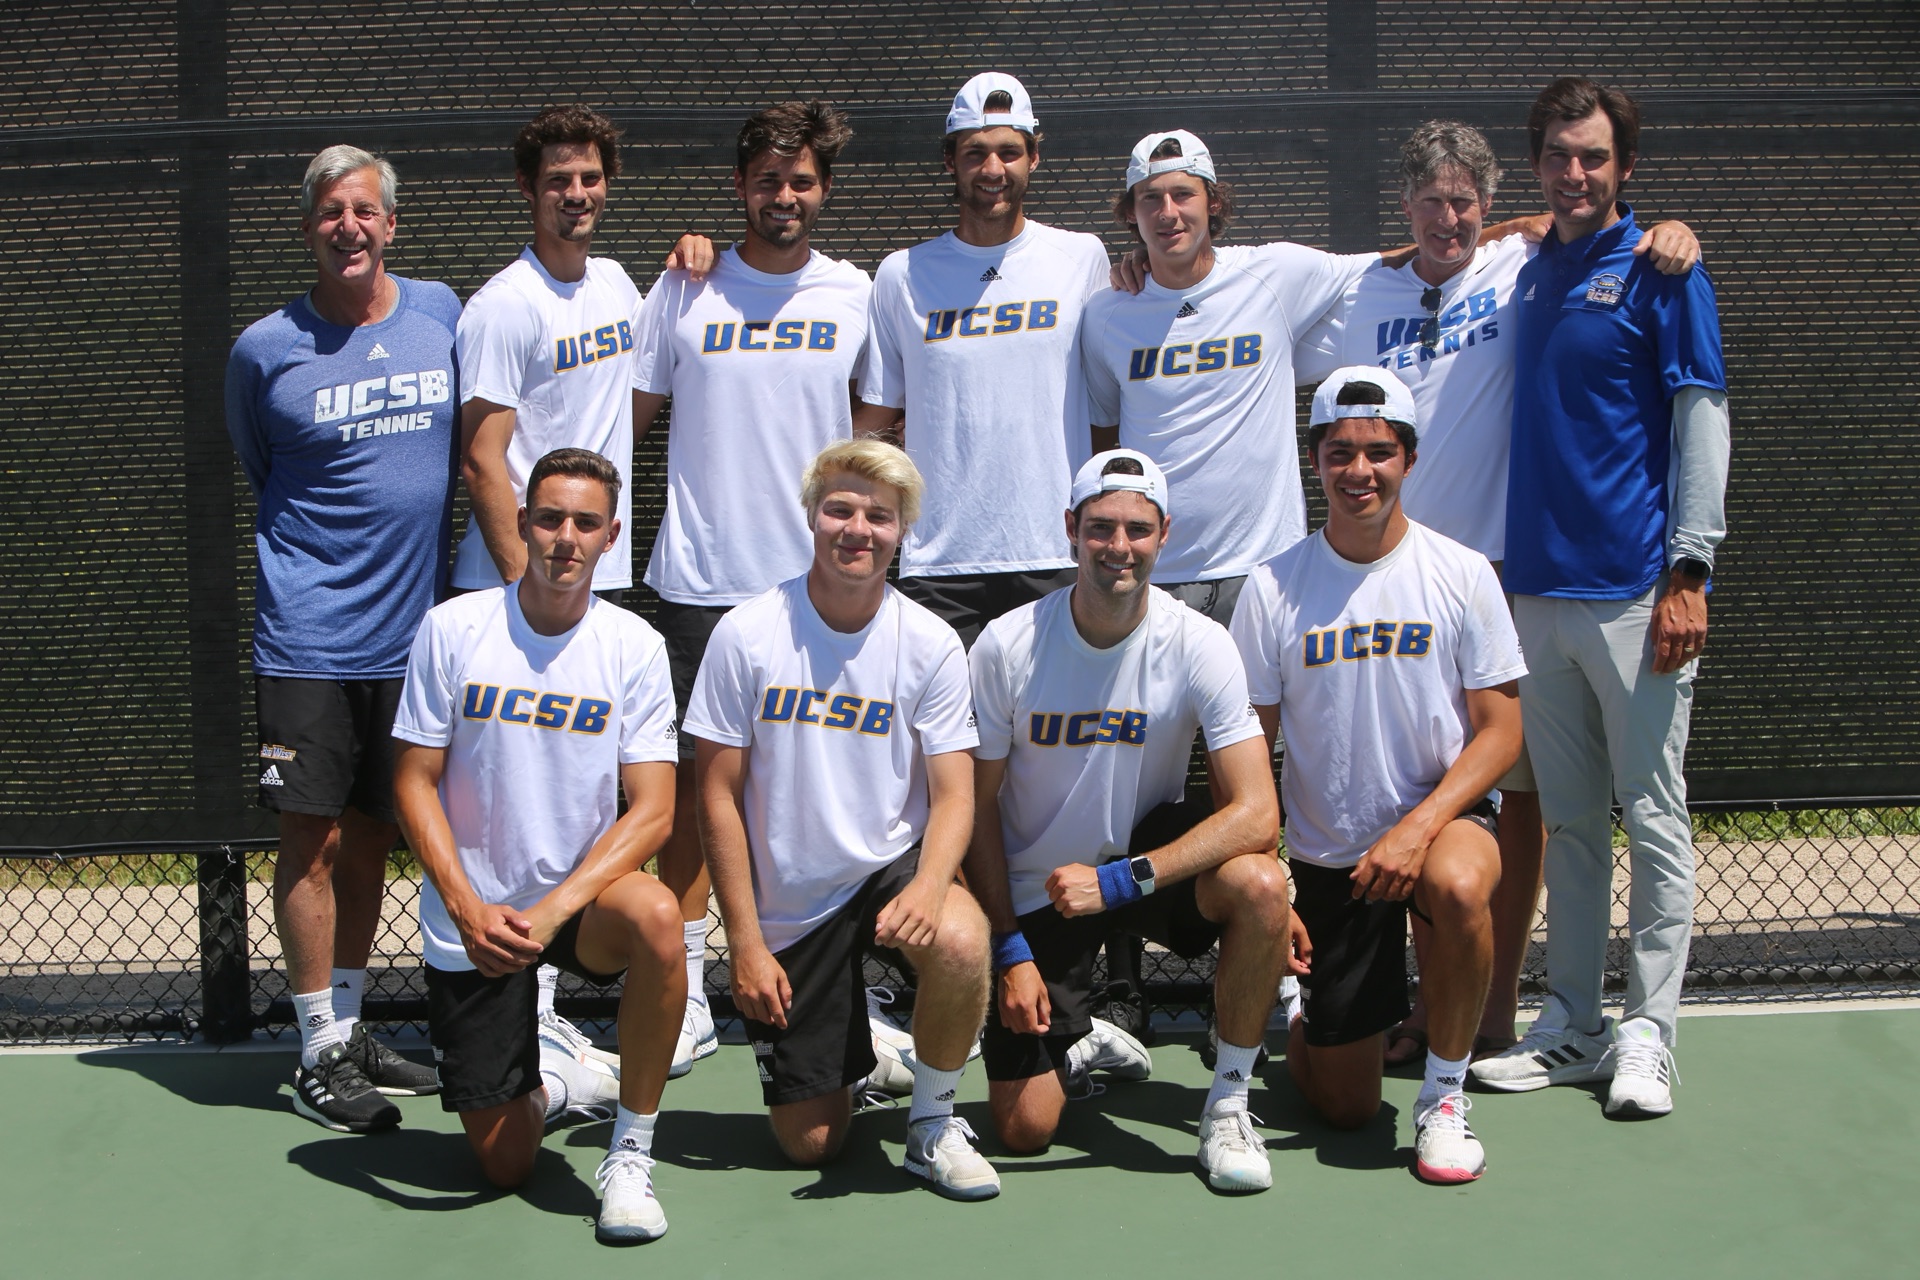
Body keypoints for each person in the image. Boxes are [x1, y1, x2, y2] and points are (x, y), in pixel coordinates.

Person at [1290, 120, 1700, 1064]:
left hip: (1498, 581)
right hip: (1379, 584)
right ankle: (1395, 1002)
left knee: (1513, 793)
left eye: (1467, 204)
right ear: (1405, 204)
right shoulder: (1356, 291)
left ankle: (1487, 1010)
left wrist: (1664, 230)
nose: (1449, 220)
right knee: (1397, 788)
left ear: (1489, 206)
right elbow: (1249, 323)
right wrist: (1134, 274)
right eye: (1432, 202)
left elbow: (1578, 229)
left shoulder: (1519, 268)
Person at [1471, 79, 1728, 1119]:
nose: (1574, 174)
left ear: (1624, 166)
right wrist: (1511, 225)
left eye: (1593, 157)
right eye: (1557, 156)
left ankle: (1649, 1035)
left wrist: (1690, 570)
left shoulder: (1666, 269)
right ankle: (1574, 1026)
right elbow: (1455, 238)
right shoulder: (1532, 264)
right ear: (1536, 164)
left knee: (1653, 816)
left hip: (1636, 595)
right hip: (1535, 597)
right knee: (1574, 825)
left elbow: (1700, 419)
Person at [452, 104, 707, 1073]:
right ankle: (523, 1007)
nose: (576, 193)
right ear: (529, 191)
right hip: (519, 598)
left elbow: (624, 404)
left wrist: (694, 257)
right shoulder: (503, 306)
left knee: (579, 795)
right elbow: (483, 460)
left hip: (589, 591)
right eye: (558, 179)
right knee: (511, 809)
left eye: (590, 177)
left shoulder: (615, 283)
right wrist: (535, 596)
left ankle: (559, 1000)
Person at [967, 449, 1291, 1193]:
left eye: (1138, 530)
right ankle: (1081, 1038)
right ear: (1071, 529)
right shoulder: (1007, 644)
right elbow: (974, 809)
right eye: (1101, 528)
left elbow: (1256, 812)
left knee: (1262, 885)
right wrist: (1009, 949)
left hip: (1139, 868)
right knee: (1024, 1131)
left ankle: (1228, 1104)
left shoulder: (1201, 642)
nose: (1119, 546)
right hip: (1037, 890)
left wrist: (1119, 882)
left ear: (1164, 534)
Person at [1230, 368, 1524, 1184]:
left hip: (1442, 826)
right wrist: (1275, 884)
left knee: (1459, 885)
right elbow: (1248, 752)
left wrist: (1417, 830)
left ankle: (1444, 1097)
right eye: (1340, 452)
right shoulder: (1272, 586)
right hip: (1335, 862)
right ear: (1315, 461)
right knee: (1346, 1108)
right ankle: (1314, 1021)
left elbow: (1502, 733)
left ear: (1410, 460)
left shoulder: (1462, 572)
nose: (1359, 471)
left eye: (1379, 452)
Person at [688, 439, 998, 1199]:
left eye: (879, 516)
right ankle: (866, 1057)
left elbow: (956, 795)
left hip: (889, 866)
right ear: (811, 517)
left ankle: (932, 1122)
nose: (858, 529)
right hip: (793, 903)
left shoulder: (929, 642)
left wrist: (930, 886)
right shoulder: (746, 633)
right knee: (812, 1145)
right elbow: (716, 796)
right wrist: (745, 944)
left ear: (902, 530)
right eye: (840, 509)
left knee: (962, 938)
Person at [392, 448, 686, 1244]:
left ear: (610, 536)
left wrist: (555, 909)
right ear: (522, 523)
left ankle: (630, 1153)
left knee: (660, 915)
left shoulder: (633, 645)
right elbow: (413, 781)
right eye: (550, 518)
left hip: (582, 905)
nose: (566, 538)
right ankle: (561, 1081)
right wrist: (467, 907)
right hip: (476, 918)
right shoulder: (453, 629)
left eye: (586, 523)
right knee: (506, 1163)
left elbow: (654, 811)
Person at [633, 101, 872, 1076]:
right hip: (701, 579)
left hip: (816, 587)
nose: (785, 196)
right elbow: (627, 418)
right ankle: (688, 991)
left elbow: (874, 430)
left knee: (826, 780)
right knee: (702, 790)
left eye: (801, 180)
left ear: (823, 188)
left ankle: (845, 981)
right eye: (768, 179)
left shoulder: (856, 292)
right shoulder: (684, 285)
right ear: (740, 187)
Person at [225, 144, 453, 1131]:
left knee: (372, 840)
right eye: (330, 211)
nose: (348, 226)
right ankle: (317, 1048)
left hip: (415, 646)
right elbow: (258, 461)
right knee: (310, 842)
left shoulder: (443, 316)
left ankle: (351, 1030)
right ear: (309, 226)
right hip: (308, 642)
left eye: (364, 210)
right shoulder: (264, 349)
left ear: (390, 224)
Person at [1082, 129, 1385, 626]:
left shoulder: (1275, 274)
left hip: (1267, 569)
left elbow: (1401, 264)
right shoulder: (1105, 315)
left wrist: (1503, 238)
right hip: (1155, 573)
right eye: (1150, 198)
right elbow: (1103, 436)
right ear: (1131, 212)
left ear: (1214, 202)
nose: (1167, 212)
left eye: (1183, 194)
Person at [851, 71, 1109, 649]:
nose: (993, 169)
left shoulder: (1082, 257)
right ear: (951, 161)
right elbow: (877, 417)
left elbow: (1107, 398)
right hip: (940, 562)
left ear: (1034, 158)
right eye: (975, 153)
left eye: (1009, 152)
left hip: (1056, 551)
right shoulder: (901, 274)